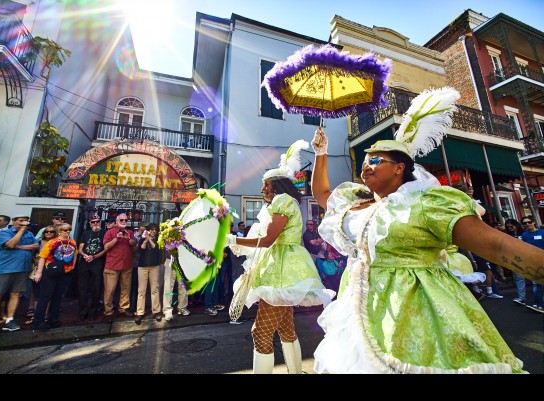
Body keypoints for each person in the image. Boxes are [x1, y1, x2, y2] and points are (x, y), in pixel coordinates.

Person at [311, 87, 544, 374]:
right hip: (359, 311)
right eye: (365, 160)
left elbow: (496, 246)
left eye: (376, 160)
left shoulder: (426, 203)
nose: (366, 166)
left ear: (399, 168)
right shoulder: (355, 203)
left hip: (419, 315)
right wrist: (320, 151)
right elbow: (322, 194)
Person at [226, 140, 335, 374]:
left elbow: (267, 240)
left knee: (260, 332)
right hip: (283, 264)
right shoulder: (284, 202)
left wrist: (231, 240)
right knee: (286, 329)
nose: (263, 189)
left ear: (276, 186)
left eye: (265, 185)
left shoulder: (281, 201)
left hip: (282, 267)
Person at [0, 215, 38, 338]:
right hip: (4, 269)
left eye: (26, 221)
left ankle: (10, 319)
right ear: (14, 222)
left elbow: (35, 246)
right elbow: (10, 244)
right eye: (21, 221)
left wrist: (19, 246)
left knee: (15, 294)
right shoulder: (5, 232)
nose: (24, 223)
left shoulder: (29, 235)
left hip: (22, 268)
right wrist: (22, 231)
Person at [32, 223, 77, 330]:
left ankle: (53, 319)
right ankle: (38, 321)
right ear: (59, 231)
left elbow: (75, 254)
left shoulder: (72, 242)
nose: (67, 231)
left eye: (69, 229)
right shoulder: (52, 242)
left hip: (65, 272)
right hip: (51, 272)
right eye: (65, 230)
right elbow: (42, 257)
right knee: (45, 297)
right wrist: (39, 272)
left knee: (58, 297)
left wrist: (72, 267)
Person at [102, 213, 137, 318]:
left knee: (126, 288)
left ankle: (123, 308)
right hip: (112, 266)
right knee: (110, 289)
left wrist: (128, 238)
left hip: (126, 265)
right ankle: (108, 311)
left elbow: (134, 244)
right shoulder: (110, 232)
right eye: (121, 220)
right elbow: (106, 247)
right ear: (117, 221)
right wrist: (116, 238)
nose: (124, 222)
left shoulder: (129, 232)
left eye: (126, 220)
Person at [25, 225, 57, 325]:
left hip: (49, 270)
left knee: (47, 294)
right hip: (37, 270)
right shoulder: (38, 243)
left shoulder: (57, 244)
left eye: (51, 232)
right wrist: (36, 261)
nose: (49, 233)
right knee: (36, 293)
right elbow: (32, 255)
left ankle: (45, 315)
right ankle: (36, 315)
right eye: (47, 231)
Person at [77, 214, 106, 321]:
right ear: (90, 223)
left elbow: (105, 248)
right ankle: (82, 312)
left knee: (96, 288)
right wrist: (84, 255)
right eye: (93, 222)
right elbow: (80, 248)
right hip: (85, 262)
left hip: (97, 263)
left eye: (97, 221)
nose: (95, 224)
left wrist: (94, 257)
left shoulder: (104, 233)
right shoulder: (85, 233)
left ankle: (93, 312)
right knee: (82, 288)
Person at [135, 223, 162, 323]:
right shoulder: (142, 240)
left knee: (154, 289)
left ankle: (156, 311)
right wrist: (146, 240)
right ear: (148, 230)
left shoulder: (158, 241)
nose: (153, 231)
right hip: (142, 267)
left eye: (155, 230)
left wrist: (149, 239)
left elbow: (155, 248)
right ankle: (140, 312)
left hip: (154, 267)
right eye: (151, 230)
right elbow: (140, 250)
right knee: (141, 290)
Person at [519, 216, 544, 313]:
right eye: (524, 223)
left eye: (529, 222)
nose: (527, 224)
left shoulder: (542, 232)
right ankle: (539, 304)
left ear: (533, 222)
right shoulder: (525, 235)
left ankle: (539, 304)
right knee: (537, 284)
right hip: (533, 263)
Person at [160, 250, 190, 322]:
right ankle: (167, 310)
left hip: (183, 259)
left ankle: (182, 307)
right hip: (170, 259)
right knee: (168, 286)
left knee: (183, 285)